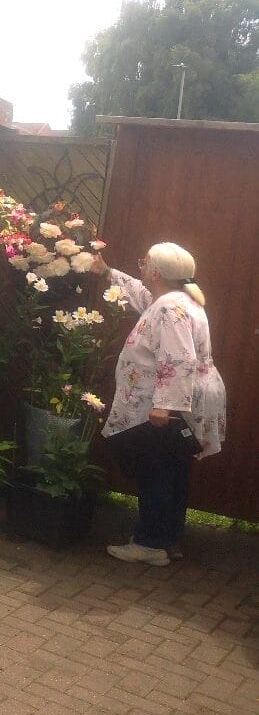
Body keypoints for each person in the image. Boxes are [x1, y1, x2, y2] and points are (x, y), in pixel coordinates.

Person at [92, 243, 226, 566]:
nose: (141, 268)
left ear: (155, 273)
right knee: (175, 469)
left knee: (156, 469)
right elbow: (142, 296)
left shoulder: (169, 309)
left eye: (144, 264)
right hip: (187, 401)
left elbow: (178, 358)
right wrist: (107, 272)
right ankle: (168, 538)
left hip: (169, 404)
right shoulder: (178, 300)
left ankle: (150, 544)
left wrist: (165, 405)